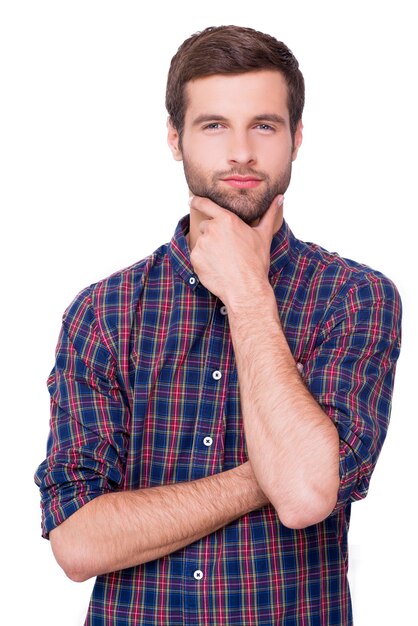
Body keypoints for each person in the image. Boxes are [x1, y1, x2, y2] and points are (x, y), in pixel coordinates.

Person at [35, 25, 402, 625]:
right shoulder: (104, 312)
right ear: (176, 139)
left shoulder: (353, 298)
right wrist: (271, 473)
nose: (241, 152)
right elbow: (77, 545)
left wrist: (250, 293)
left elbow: (308, 498)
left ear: (297, 137)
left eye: (264, 124)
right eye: (214, 126)